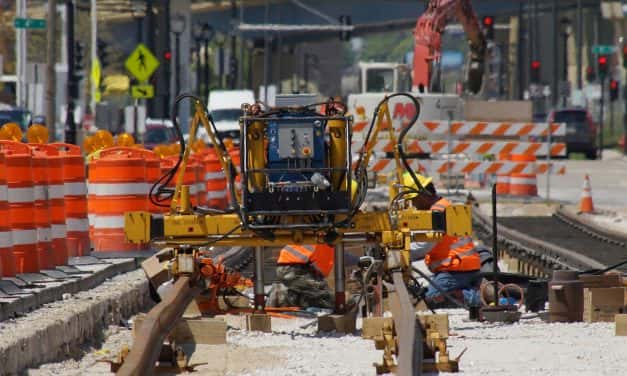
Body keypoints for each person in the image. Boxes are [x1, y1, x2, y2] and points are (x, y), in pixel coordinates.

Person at [402, 173, 482, 307]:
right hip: (462, 267)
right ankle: (471, 291)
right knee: (428, 294)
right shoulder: (443, 205)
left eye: (414, 200)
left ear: (423, 195)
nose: (414, 205)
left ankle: (476, 298)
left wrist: (400, 253)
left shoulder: (437, 213)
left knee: (429, 300)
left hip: (455, 271)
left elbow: (423, 246)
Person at [267, 244, 335, 309]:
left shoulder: (319, 235)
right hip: (294, 270)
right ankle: (281, 294)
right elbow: (322, 271)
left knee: (310, 291)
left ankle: (282, 295)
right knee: (328, 299)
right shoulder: (327, 242)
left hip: (287, 268)